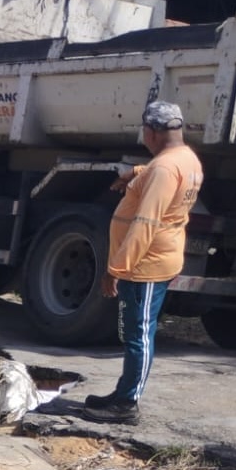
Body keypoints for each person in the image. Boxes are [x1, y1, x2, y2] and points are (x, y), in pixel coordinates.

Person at [83, 101, 204, 425]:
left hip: (146, 265)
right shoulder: (185, 159)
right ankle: (124, 392)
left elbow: (146, 222)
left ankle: (126, 404)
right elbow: (161, 176)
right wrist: (135, 174)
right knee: (138, 331)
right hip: (153, 260)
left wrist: (116, 271)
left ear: (151, 132)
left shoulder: (164, 169)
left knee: (139, 333)